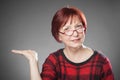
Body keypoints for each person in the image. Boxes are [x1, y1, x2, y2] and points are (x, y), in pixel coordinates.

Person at [11, 6, 114, 80]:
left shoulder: (101, 61)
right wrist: (33, 61)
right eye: (67, 29)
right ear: (58, 35)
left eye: (78, 27)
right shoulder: (53, 61)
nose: (75, 33)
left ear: (84, 29)